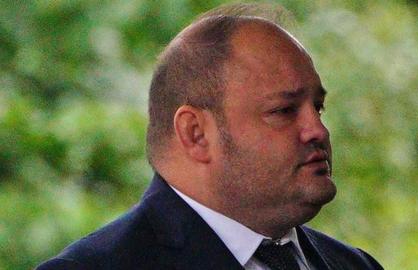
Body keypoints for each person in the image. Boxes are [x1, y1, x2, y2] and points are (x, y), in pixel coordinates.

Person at [37, 4, 383, 270]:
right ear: (196, 133)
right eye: (284, 111)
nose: (318, 130)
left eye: (318, 108)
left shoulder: (353, 264)